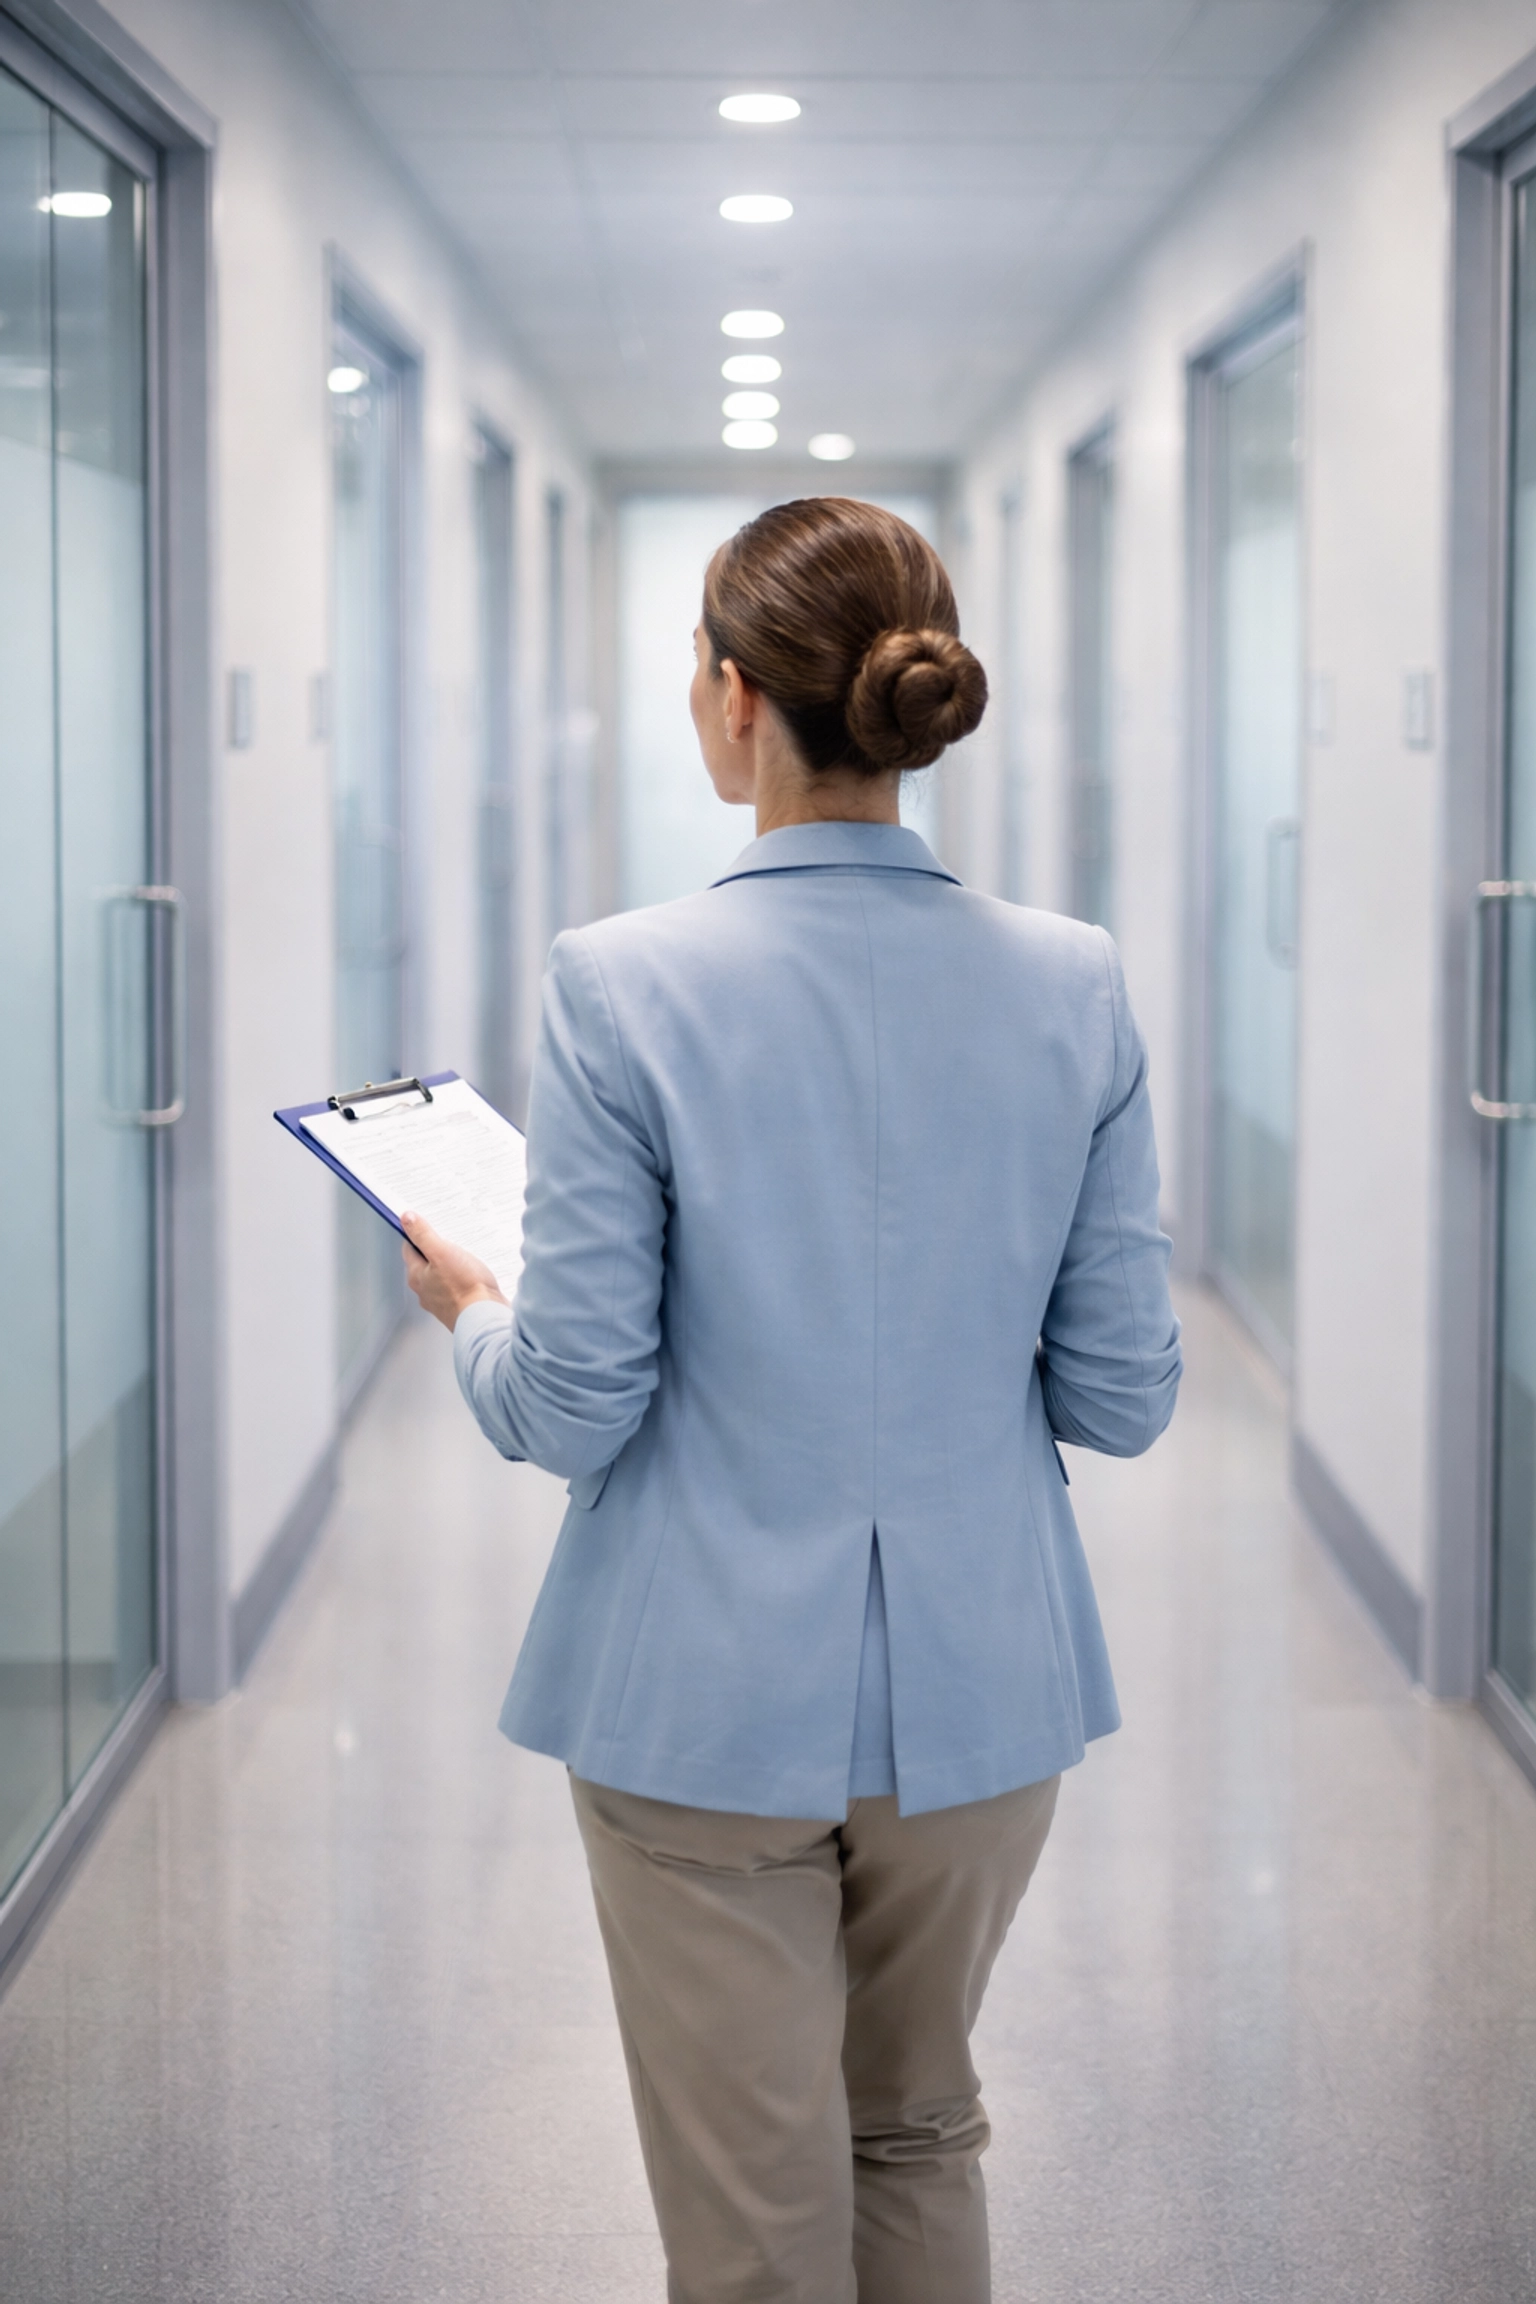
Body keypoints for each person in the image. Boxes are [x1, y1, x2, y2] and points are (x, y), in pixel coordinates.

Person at [401, 496, 1181, 2304]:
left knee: (757, 2218)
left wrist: (472, 1315)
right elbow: (1124, 1395)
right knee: (916, 2131)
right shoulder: (1074, 980)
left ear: (734, 696)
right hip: (985, 1696)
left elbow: (576, 1401)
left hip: (701, 1702)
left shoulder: (623, 983)